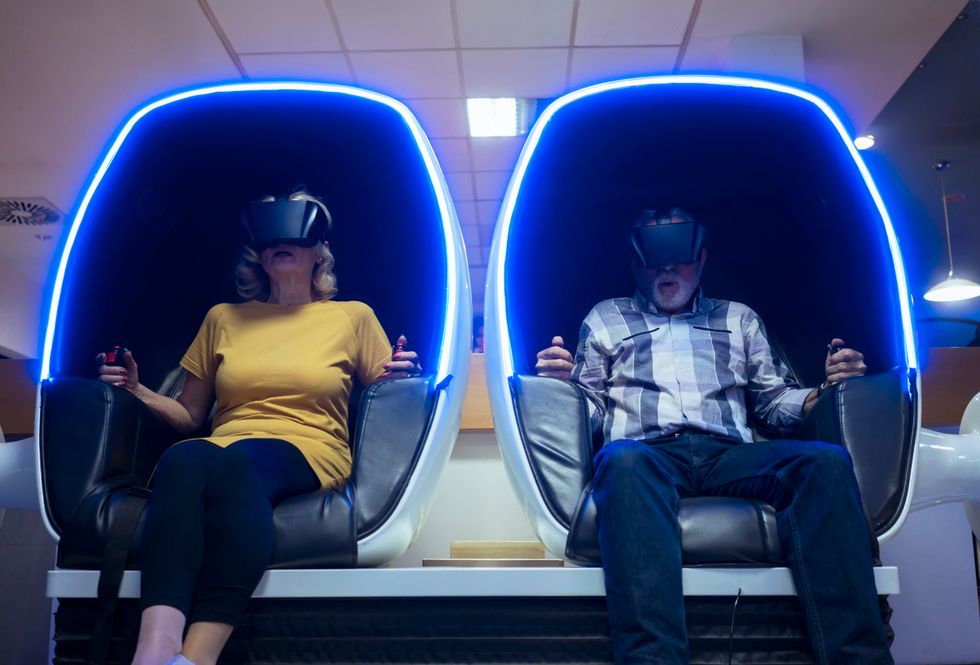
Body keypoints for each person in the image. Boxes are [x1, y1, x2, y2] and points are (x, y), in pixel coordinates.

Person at [535, 208, 891, 664]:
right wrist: (562, 384)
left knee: (824, 462)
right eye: (653, 258)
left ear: (700, 261)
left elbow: (771, 400)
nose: (666, 268)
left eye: (678, 257)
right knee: (621, 461)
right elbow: (590, 406)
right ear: (635, 264)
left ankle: (858, 657)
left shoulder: (738, 319)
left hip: (730, 455)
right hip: (646, 456)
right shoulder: (606, 319)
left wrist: (821, 392)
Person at [97, 191, 421, 665]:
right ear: (257, 254)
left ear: (319, 251)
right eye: (268, 241)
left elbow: (388, 387)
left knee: (240, 463)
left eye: (291, 237)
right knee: (184, 456)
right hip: (225, 441)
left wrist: (402, 373)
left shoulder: (352, 316)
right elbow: (190, 416)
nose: (279, 246)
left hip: (309, 447)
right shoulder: (223, 318)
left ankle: (198, 655)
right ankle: (155, 648)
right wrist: (138, 389)